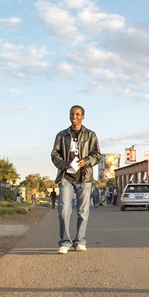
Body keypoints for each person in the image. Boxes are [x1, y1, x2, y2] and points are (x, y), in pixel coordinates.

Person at [51, 105, 101, 254]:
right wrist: (62, 164)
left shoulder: (90, 135)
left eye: (78, 114)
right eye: (72, 114)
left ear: (83, 117)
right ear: (69, 116)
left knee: (82, 211)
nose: (75, 117)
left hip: (84, 178)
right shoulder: (62, 135)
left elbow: (97, 155)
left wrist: (86, 161)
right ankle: (65, 242)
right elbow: (54, 154)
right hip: (66, 177)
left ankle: (80, 241)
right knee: (63, 210)